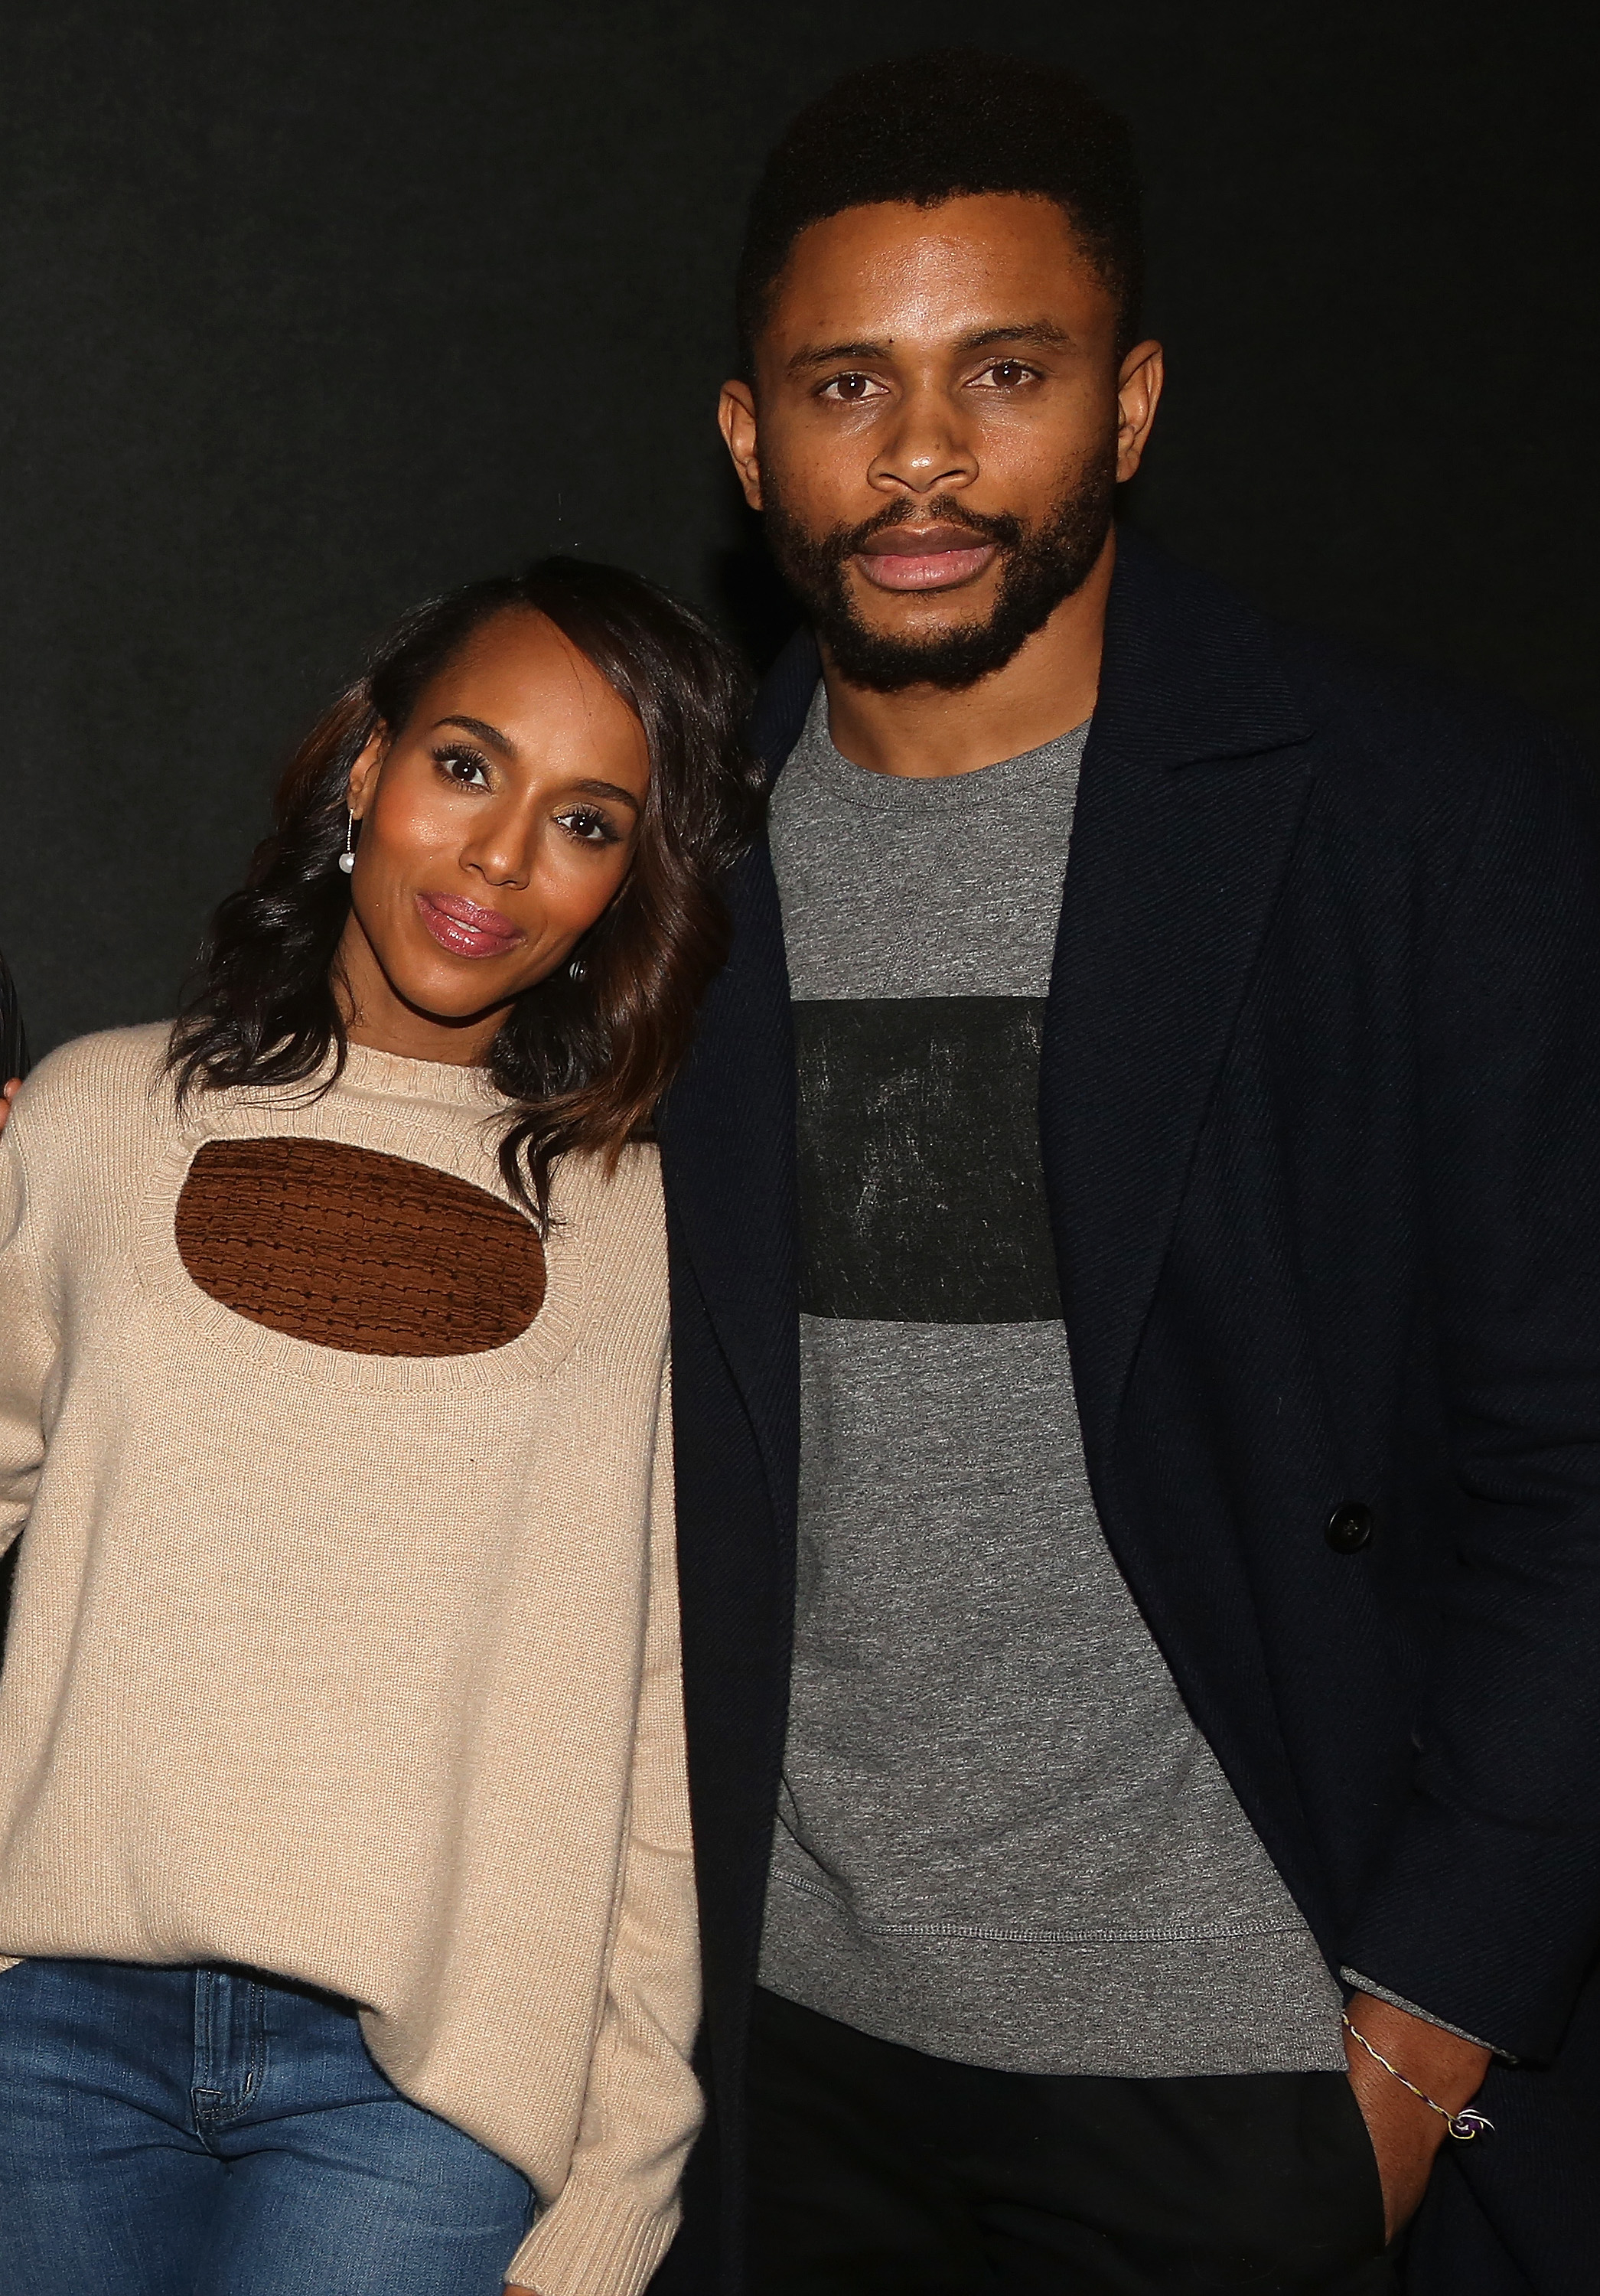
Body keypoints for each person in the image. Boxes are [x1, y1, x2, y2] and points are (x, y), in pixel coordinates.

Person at [653, 50, 1600, 2296]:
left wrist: (1416, 2054)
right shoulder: (673, 859)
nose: (917, 456)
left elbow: (1575, 1462)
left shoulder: (1420, 827)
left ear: (1134, 402)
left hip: (1248, 2087)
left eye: (1004, 370)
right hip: (775, 2081)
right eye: (842, 384)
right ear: (744, 437)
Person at [0, 558, 762, 2296]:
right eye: (468, 767)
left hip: (422, 2092)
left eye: (585, 821)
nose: (498, 859)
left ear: (627, 883)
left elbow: (651, 1730)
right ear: (368, 771)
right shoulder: (104, 1119)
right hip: (42, 2047)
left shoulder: (643, 1226)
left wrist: (624, 2170)